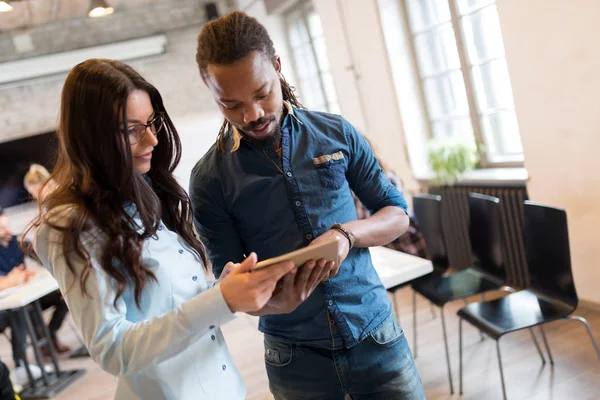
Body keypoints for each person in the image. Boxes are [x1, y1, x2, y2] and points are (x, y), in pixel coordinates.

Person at [28, 59, 305, 400]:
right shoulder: (69, 227)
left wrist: (228, 290)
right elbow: (113, 349)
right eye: (132, 130)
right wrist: (220, 300)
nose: (153, 139)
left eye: (151, 123)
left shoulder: (142, 197)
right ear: (93, 139)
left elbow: (169, 303)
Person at [191, 11, 426, 399]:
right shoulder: (209, 180)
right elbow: (227, 279)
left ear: (278, 67)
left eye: (262, 93)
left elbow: (397, 214)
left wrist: (347, 235)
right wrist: (268, 303)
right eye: (231, 105)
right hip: (294, 359)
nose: (252, 115)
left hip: (377, 336)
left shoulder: (337, 133)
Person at [0, 206, 70, 357]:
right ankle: (45, 345)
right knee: (28, 309)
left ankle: (50, 334)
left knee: (65, 294)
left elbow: (43, 259)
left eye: (6, 225)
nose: (6, 231)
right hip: (12, 302)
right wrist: (11, 279)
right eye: (1, 228)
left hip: (29, 293)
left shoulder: (17, 241)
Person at [352, 139, 428, 259]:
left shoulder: (383, 179)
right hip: (391, 246)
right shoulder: (382, 175)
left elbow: (364, 221)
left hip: (403, 248)